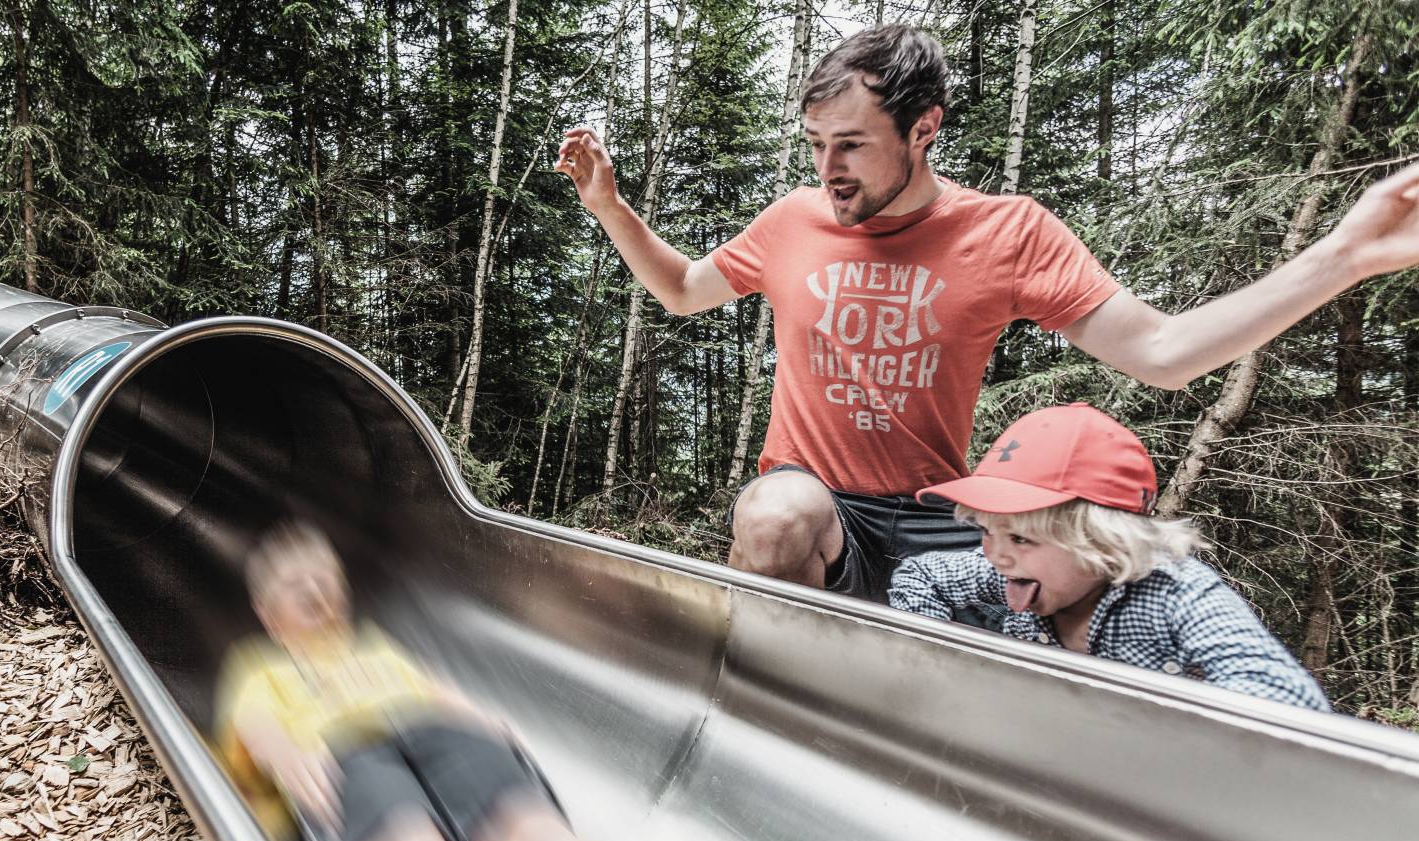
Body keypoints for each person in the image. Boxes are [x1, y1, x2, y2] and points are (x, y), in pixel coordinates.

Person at [555, 24, 1419, 602]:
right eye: (818, 145)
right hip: (819, 504)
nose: (831, 169)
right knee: (776, 514)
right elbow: (679, 290)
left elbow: (1164, 350)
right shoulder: (793, 222)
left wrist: (1342, 257)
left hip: (943, 516)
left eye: (852, 144)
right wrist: (608, 205)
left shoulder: (1006, 232)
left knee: (1084, 578)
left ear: (923, 128)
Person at [215, 521, 759, 841]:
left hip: (432, 733)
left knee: (521, 825)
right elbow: (252, 723)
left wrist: (483, 719)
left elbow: (435, 691)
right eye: (294, 586)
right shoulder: (260, 665)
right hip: (345, 752)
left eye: (323, 577)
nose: (313, 590)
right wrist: (282, 751)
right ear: (267, 613)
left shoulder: (376, 648)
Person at [886, 403, 1330, 710]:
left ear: (1102, 543)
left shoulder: (1179, 596)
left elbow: (1290, 700)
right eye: (985, 530)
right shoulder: (1011, 571)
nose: (995, 555)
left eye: (1021, 539)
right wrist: (941, 670)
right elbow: (920, 575)